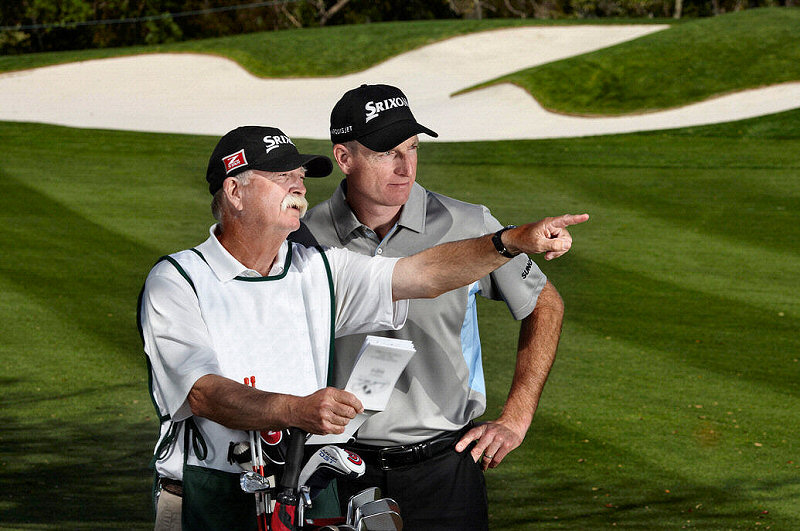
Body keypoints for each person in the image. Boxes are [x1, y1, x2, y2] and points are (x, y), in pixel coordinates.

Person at [138, 125, 587, 529]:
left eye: (300, 175)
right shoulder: (177, 281)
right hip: (210, 490)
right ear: (235, 191)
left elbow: (422, 274)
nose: (299, 186)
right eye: (281, 177)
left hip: (304, 486)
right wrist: (295, 409)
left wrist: (509, 242)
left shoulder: (318, 267)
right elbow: (203, 393)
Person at [293, 84, 574, 530]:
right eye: (387, 153)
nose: (405, 167)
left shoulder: (469, 225)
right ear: (344, 158)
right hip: (333, 468)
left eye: (412, 148)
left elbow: (545, 303)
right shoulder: (302, 237)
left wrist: (517, 418)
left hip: (445, 470)